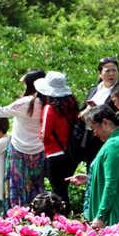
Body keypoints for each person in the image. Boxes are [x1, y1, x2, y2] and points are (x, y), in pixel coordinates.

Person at [68, 105, 119, 227]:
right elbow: (118, 175)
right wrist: (90, 177)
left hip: (112, 216)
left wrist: (101, 216)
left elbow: (111, 184)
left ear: (105, 123)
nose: (94, 134)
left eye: (94, 128)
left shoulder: (114, 145)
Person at [0, 69, 46, 210]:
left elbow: (1, 111)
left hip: (19, 150)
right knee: (36, 186)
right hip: (39, 151)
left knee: (17, 186)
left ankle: (18, 218)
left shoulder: (26, 102)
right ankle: (39, 216)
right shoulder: (47, 103)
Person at [35, 71, 79, 208]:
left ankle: (61, 220)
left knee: (57, 191)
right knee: (63, 190)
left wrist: (40, 135)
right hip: (71, 154)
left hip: (54, 153)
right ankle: (67, 219)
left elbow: (45, 134)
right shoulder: (72, 105)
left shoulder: (50, 108)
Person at [77, 57, 119, 169]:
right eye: (107, 71)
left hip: (106, 135)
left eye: (114, 70)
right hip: (90, 135)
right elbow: (81, 112)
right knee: (91, 168)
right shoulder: (95, 90)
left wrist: (98, 111)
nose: (111, 74)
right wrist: (88, 110)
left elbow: (117, 113)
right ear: (100, 74)